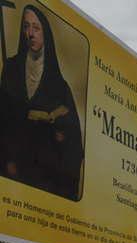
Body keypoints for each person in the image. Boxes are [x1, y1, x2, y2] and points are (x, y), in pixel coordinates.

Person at [0, 4, 84, 200]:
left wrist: (54, 120)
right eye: (26, 27)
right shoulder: (11, 69)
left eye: (36, 28)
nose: (30, 33)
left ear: (46, 33)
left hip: (44, 185)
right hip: (11, 175)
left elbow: (73, 143)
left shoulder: (60, 86)